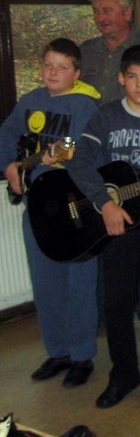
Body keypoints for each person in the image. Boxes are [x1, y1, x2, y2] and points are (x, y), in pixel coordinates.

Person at [66, 45, 140, 410]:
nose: (139, 84)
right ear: (121, 79)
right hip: (113, 224)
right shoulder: (105, 117)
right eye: (132, 77)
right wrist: (105, 203)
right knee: (117, 303)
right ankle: (124, 376)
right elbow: (79, 162)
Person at [0, 38, 101, 388]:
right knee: (46, 281)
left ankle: (81, 355)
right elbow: (7, 136)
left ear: (76, 72)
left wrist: (62, 156)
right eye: (47, 65)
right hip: (38, 207)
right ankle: (56, 351)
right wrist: (10, 167)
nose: (53, 72)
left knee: (79, 282)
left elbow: (85, 151)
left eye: (61, 67)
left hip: (75, 207)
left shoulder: (87, 106)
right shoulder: (30, 102)